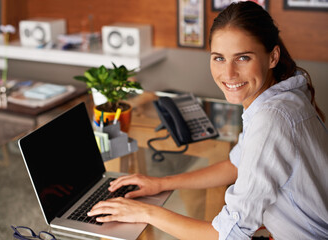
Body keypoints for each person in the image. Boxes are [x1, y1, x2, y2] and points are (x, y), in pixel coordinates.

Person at [87, 2, 328, 239]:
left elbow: (228, 235)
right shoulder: (281, 96)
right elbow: (237, 165)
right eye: (219, 58)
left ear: (273, 57)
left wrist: (147, 212)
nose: (229, 73)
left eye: (243, 58)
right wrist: (161, 183)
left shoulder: (271, 118)